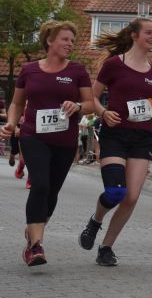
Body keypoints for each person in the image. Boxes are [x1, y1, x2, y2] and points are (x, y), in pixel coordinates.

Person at [78, 18, 152, 267]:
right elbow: (91, 98)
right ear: (134, 35)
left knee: (131, 197)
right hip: (115, 134)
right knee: (115, 192)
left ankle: (106, 247)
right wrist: (103, 112)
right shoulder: (113, 65)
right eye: (148, 33)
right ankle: (95, 221)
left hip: (141, 138)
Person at [0, 21, 93, 266]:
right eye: (65, 39)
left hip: (64, 140)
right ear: (50, 41)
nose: (70, 44)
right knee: (40, 185)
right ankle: (35, 246)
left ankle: (33, 230)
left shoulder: (77, 70)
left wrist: (78, 106)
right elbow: (17, 103)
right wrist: (11, 123)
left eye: (72, 40)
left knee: (51, 192)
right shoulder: (29, 70)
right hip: (34, 136)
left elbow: (90, 104)